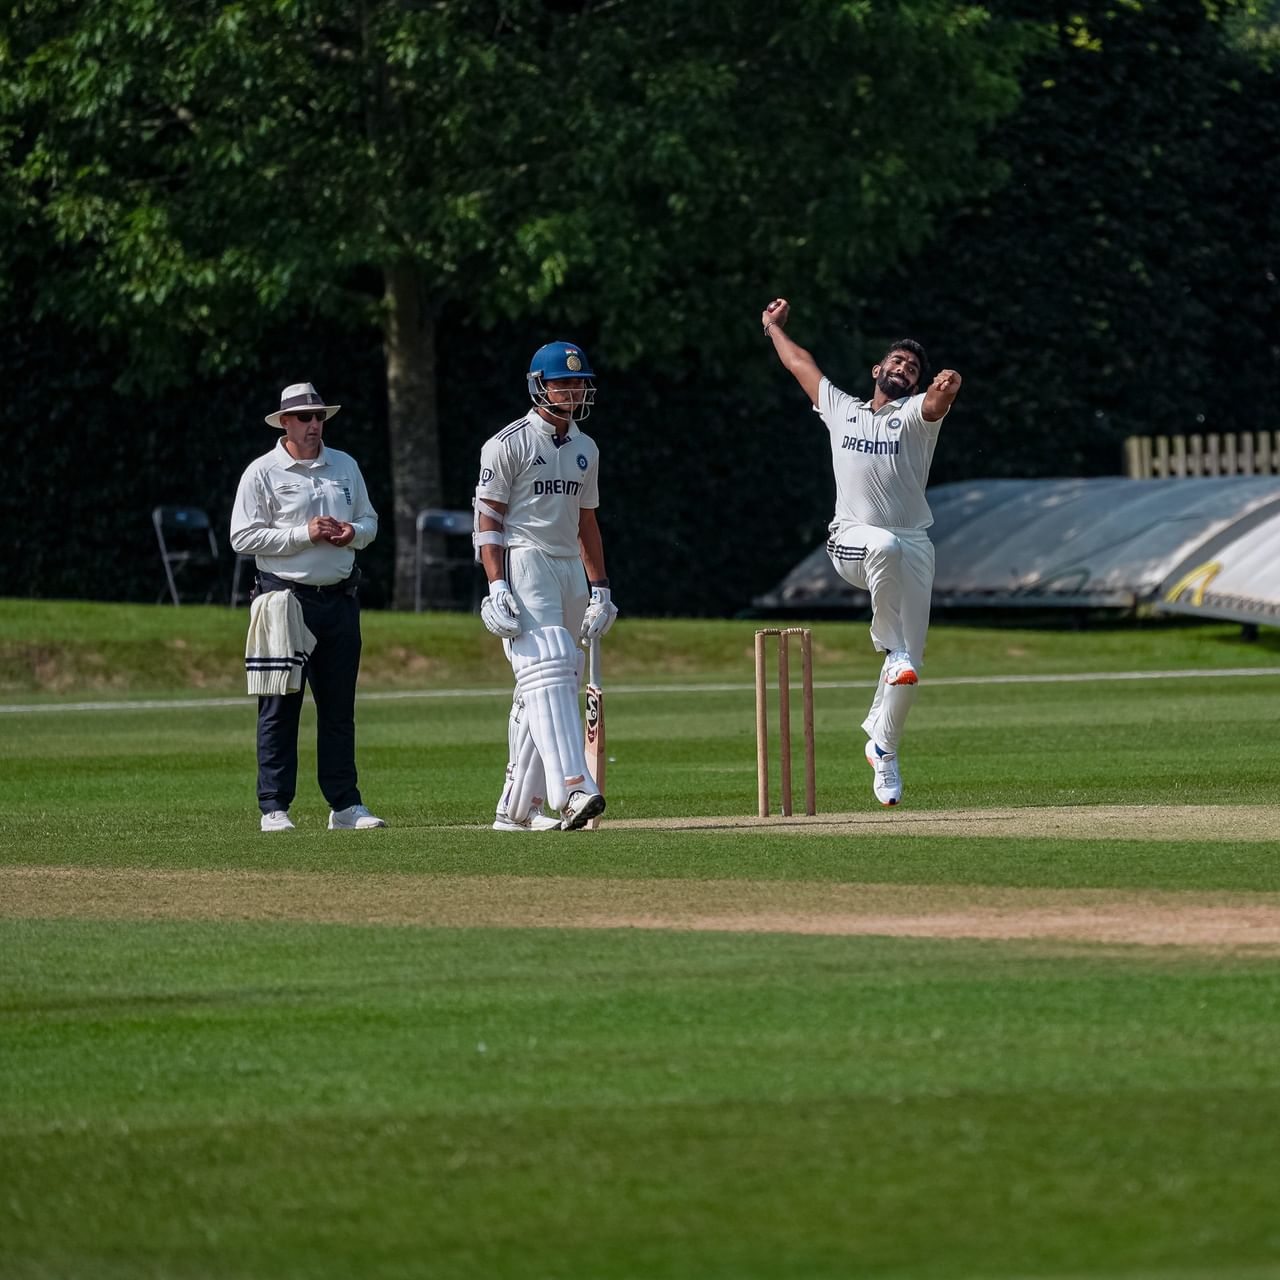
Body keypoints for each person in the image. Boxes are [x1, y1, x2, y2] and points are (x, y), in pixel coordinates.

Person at [761, 298, 962, 807]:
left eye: (913, 369)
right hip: (851, 539)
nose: (904, 369)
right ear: (878, 370)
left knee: (911, 669)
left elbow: (937, 405)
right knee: (883, 548)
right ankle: (887, 645)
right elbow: (799, 364)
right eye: (897, 362)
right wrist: (772, 328)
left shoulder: (915, 415)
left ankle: (884, 748)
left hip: (914, 544)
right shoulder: (842, 409)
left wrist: (947, 388)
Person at [473, 341, 618, 832]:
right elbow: (488, 519)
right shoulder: (507, 443)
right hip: (525, 556)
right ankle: (573, 790)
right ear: (540, 386)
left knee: (555, 677)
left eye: (580, 383)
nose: (575, 391)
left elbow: (587, 522)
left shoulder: (586, 448)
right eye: (565, 382)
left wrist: (600, 587)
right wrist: (496, 585)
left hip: (567, 565)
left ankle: (516, 808)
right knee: (550, 661)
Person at [230, 381, 387, 833]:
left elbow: (371, 521)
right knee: (280, 706)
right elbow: (242, 537)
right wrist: (305, 533)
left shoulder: (345, 465)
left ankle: (344, 804)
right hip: (285, 602)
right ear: (284, 423)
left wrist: (351, 534)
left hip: (340, 599)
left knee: (339, 708)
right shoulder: (262, 473)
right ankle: (274, 807)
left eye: (319, 417)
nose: (314, 424)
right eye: (305, 417)